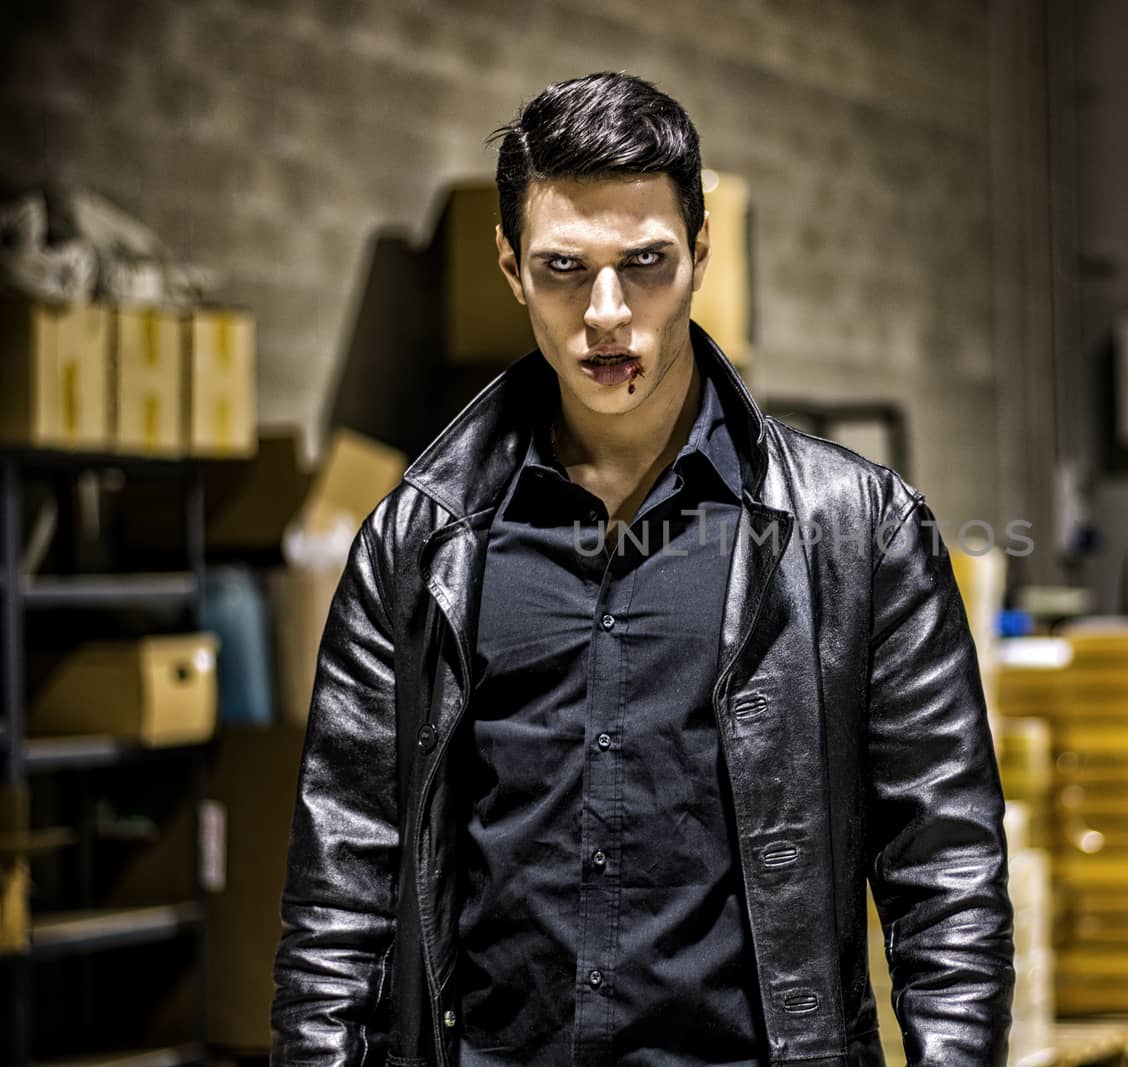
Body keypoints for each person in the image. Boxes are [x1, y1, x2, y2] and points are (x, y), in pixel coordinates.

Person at [270, 71, 1013, 1067]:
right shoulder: (417, 543)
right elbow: (339, 885)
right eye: (565, 267)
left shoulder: (856, 530)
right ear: (509, 267)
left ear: (703, 253)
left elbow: (947, 867)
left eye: (646, 263)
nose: (608, 313)